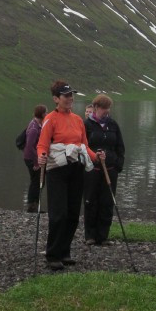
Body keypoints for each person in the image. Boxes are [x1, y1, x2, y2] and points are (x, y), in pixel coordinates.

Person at [37, 80, 104, 271]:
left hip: (76, 167)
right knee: (59, 214)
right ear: (56, 99)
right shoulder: (51, 119)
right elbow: (42, 144)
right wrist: (41, 156)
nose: (70, 98)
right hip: (57, 169)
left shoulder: (77, 120)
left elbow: (84, 145)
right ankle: (52, 254)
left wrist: (96, 158)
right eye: (66, 95)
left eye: (71, 95)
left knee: (73, 213)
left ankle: (64, 252)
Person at [83, 94, 125, 246]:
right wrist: (94, 157)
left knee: (107, 202)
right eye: (103, 108)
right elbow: (83, 146)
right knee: (90, 201)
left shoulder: (113, 125)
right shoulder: (87, 125)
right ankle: (90, 235)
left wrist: (118, 164)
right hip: (92, 169)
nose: (106, 111)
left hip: (110, 168)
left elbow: (120, 146)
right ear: (95, 108)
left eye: (108, 108)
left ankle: (103, 235)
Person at [22, 104, 47, 212]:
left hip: (33, 158)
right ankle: (32, 206)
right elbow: (29, 146)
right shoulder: (34, 128)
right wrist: (36, 162)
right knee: (36, 182)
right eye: (46, 112)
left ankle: (34, 205)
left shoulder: (37, 124)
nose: (47, 114)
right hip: (31, 159)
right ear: (42, 114)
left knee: (37, 181)